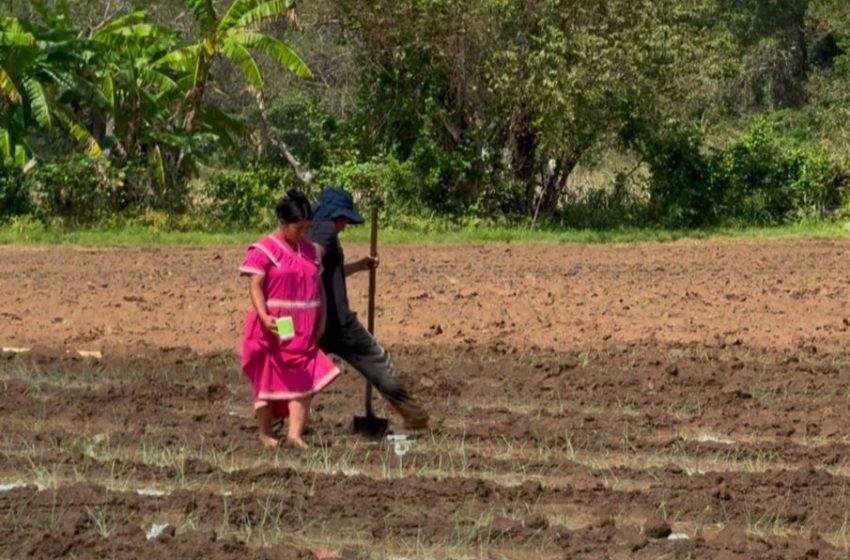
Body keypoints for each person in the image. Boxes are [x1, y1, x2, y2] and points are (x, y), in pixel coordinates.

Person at [309, 187, 429, 430]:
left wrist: (360, 266)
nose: (345, 225)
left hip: (315, 319)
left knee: (303, 372)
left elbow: (330, 273)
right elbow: (312, 263)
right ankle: (414, 415)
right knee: (377, 360)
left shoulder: (312, 229)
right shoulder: (326, 230)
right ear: (338, 216)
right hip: (337, 321)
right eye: (345, 220)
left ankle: (280, 423)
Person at [239, 190, 340, 449]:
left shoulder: (310, 251)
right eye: (298, 228)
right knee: (268, 377)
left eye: (308, 227)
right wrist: (264, 316)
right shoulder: (265, 249)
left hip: (305, 325)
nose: (304, 233)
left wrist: (322, 318)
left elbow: (318, 287)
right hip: (276, 325)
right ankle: (266, 433)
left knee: (304, 379)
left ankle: (295, 434)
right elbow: (255, 286)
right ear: (283, 224)